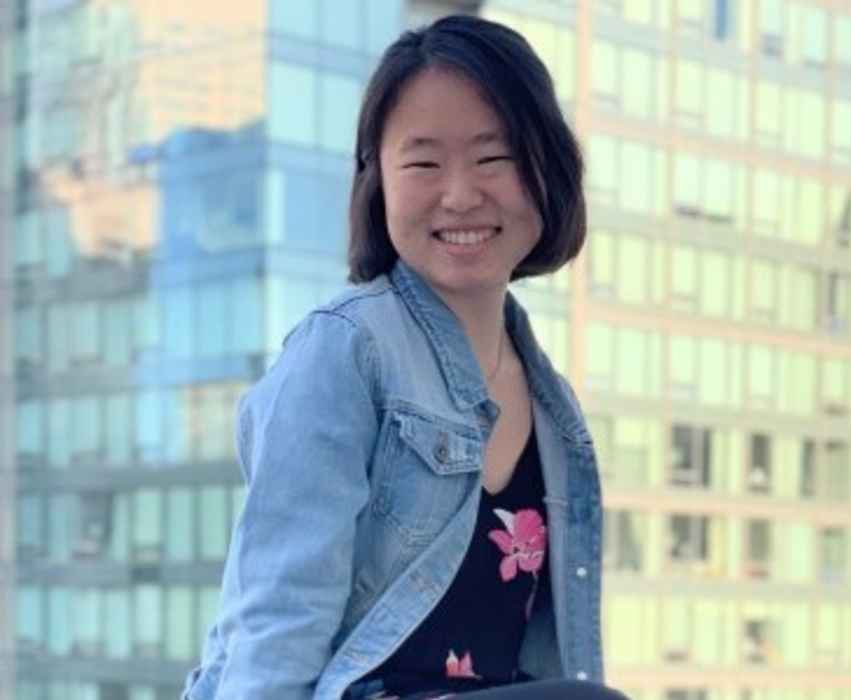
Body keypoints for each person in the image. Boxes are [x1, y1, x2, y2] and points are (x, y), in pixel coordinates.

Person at [181, 14, 626, 700]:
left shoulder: (552, 404)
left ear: (546, 169)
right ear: (378, 181)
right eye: (422, 163)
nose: (459, 194)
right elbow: (277, 615)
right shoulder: (345, 351)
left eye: (494, 157)